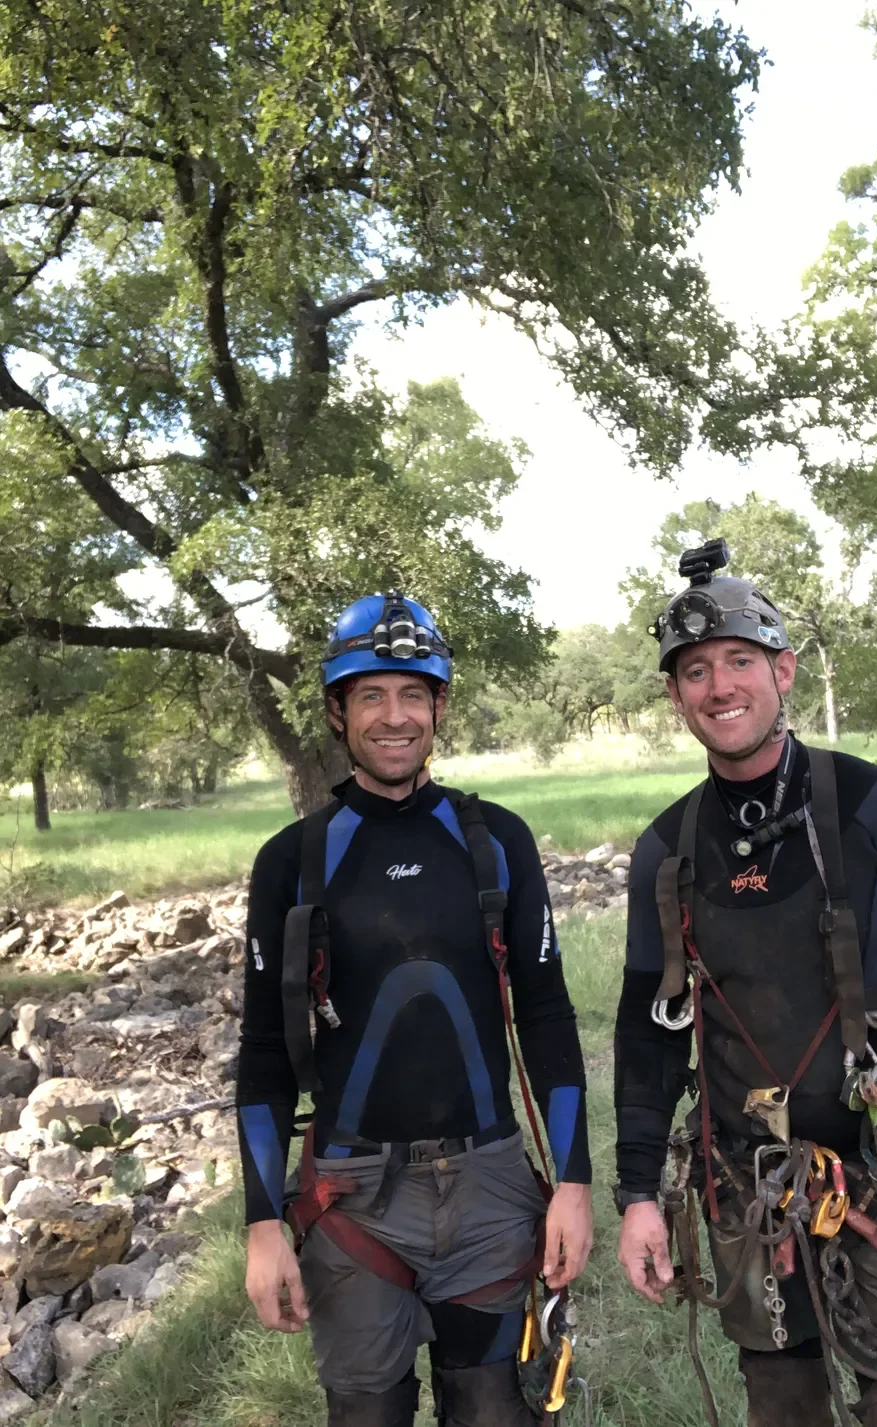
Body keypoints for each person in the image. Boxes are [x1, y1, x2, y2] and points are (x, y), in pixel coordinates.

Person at [613, 542, 877, 1427]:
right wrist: (637, 1193)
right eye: (694, 671)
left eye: (739, 660)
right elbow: (647, 1038)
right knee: (782, 1402)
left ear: (784, 670)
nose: (719, 686)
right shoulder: (667, 852)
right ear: (676, 695)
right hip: (743, 1179)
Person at [237, 591, 593, 1427]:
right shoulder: (292, 861)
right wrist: (261, 1224)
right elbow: (263, 1051)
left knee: (494, 1411)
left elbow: (547, 1015)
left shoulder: (498, 841)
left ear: (439, 707)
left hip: (488, 1187)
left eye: (412, 694)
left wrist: (573, 1182)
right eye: (371, 694)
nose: (394, 717)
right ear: (338, 710)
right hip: (351, 1197)